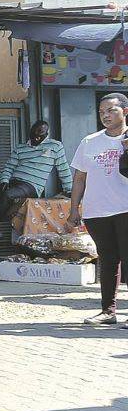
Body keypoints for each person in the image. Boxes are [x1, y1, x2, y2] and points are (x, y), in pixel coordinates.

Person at [66, 93, 128, 326]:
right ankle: (108, 312)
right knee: (108, 260)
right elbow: (79, 178)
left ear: (125, 112)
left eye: (111, 110)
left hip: (125, 208)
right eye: (102, 111)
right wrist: (74, 208)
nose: (105, 115)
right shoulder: (90, 142)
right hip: (97, 211)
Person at [0, 120, 73, 243]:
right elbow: (9, 167)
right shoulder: (20, 148)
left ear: (46, 134)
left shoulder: (55, 147)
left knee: (8, 195)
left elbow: (63, 169)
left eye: (40, 135)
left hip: (32, 185)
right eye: (34, 135)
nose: (36, 138)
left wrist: (70, 190)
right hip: (13, 180)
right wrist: (4, 180)